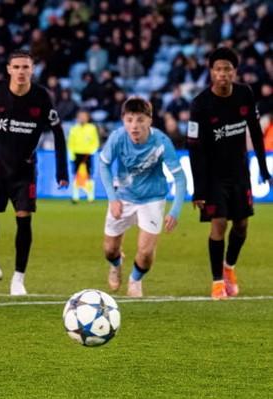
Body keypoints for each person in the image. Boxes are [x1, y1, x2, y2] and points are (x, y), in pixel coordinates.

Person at [0, 50, 69, 296]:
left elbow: (58, 133)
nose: (21, 72)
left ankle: (18, 278)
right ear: (9, 69)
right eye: (16, 67)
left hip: (24, 170)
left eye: (25, 67)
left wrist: (62, 171)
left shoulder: (41, 96)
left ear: (32, 70)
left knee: (24, 218)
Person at [187, 47, 272, 300]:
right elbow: (194, 148)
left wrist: (263, 168)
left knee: (242, 226)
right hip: (213, 176)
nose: (223, 74)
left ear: (234, 71)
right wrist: (199, 189)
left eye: (227, 69)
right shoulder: (200, 104)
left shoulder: (245, 94)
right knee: (219, 223)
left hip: (239, 172)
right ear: (211, 72)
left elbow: (255, 131)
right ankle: (217, 283)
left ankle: (229, 268)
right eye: (218, 69)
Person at [100, 97, 187, 297]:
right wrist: (112, 198)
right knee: (109, 250)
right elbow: (103, 164)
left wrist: (175, 211)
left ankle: (135, 279)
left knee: (146, 252)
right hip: (123, 197)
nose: (134, 126)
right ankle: (116, 264)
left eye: (140, 120)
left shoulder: (161, 142)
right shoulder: (117, 137)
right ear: (123, 120)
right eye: (129, 120)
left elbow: (180, 178)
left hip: (152, 199)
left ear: (150, 120)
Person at [68, 109, 99, 203]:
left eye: (84, 116)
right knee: (76, 175)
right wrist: (71, 154)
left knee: (89, 175)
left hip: (87, 154)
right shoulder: (73, 129)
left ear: (87, 118)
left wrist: (92, 151)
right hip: (76, 154)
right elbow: (70, 142)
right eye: (80, 116)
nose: (82, 118)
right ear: (77, 118)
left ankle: (91, 197)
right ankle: (75, 197)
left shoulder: (92, 128)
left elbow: (95, 142)